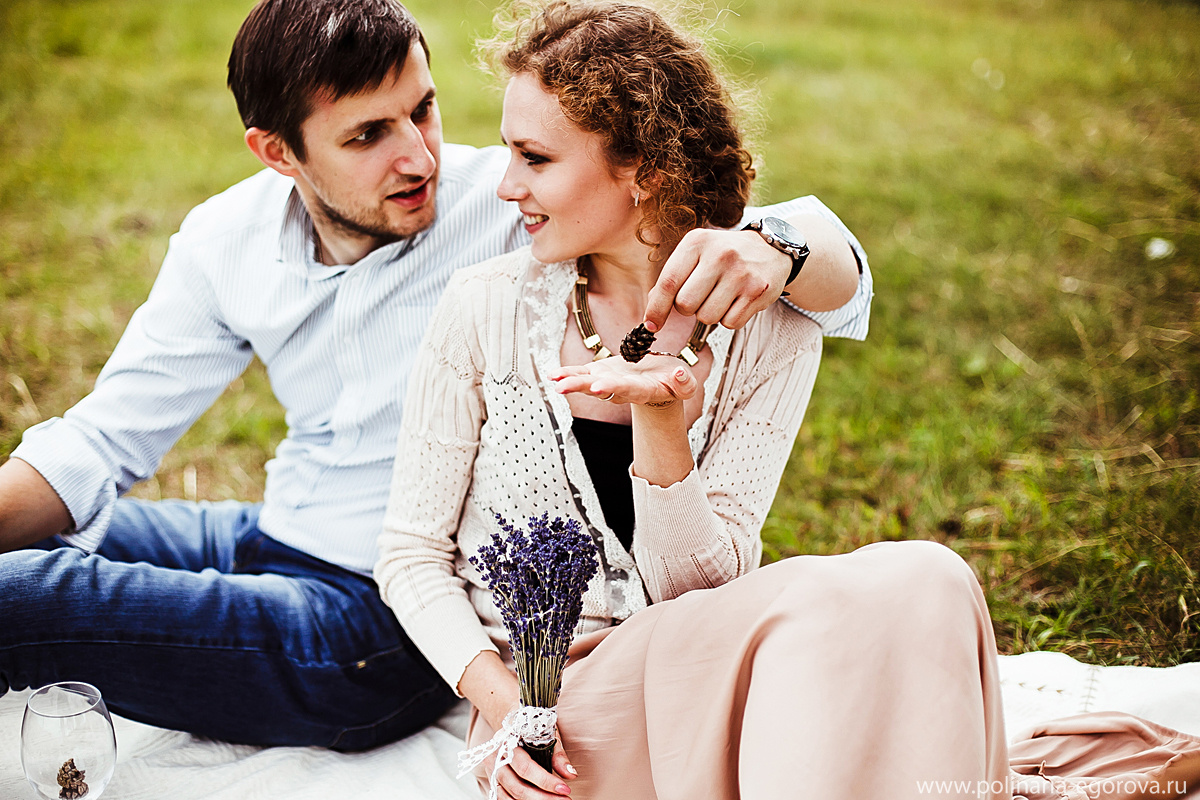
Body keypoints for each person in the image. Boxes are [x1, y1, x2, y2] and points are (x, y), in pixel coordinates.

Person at [0, 0, 871, 750]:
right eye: (368, 135)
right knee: (48, 539)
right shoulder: (222, 242)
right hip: (279, 527)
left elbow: (743, 227)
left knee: (23, 599)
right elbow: (99, 442)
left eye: (423, 110)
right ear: (277, 152)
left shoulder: (524, 200)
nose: (418, 157)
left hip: (375, 622)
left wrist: (778, 245)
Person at [373, 2, 1012, 798]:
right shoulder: (484, 308)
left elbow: (699, 598)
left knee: (932, 579)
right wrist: (514, 713)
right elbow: (409, 557)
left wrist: (662, 413)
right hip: (561, 727)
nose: (506, 186)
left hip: (707, 676)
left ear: (641, 165)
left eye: (534, 158)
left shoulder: (774, 329)